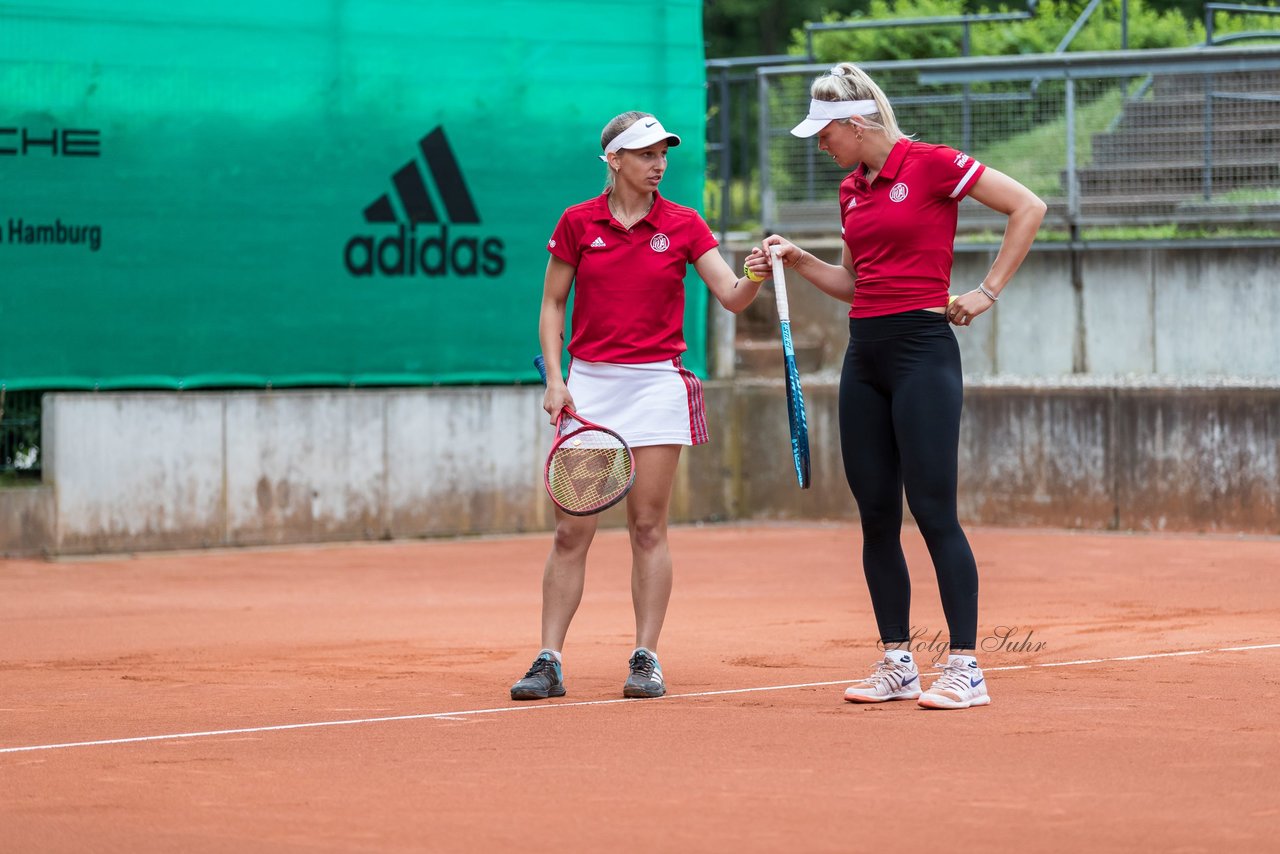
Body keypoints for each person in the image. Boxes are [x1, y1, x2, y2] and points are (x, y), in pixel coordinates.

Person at [748, 63, 1046, 710]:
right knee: (876, 515)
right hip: (865, 358)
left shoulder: (932, 164)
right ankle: (897, 661)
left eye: (826, 134)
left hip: (922, 353)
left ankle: (966, 667)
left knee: (934, 510)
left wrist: (986, 291)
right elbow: (856, 284)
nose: (820, 146)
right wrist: (798, 261)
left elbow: (1029, 206)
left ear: (857, 124)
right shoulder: (850, 190)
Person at [511, 111, 764, 701]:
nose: (659, 164)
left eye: (663, 154)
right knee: (572, 530)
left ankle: (645, 657)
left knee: (648, 526)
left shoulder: (684, 224)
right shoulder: (578, 222)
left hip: (656, 386)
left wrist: (754, 271)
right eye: (647, 154)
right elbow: (552, 304)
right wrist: (556, 380)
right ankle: (549, 660)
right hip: (590, 387)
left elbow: (730, 296)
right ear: (615, 160)